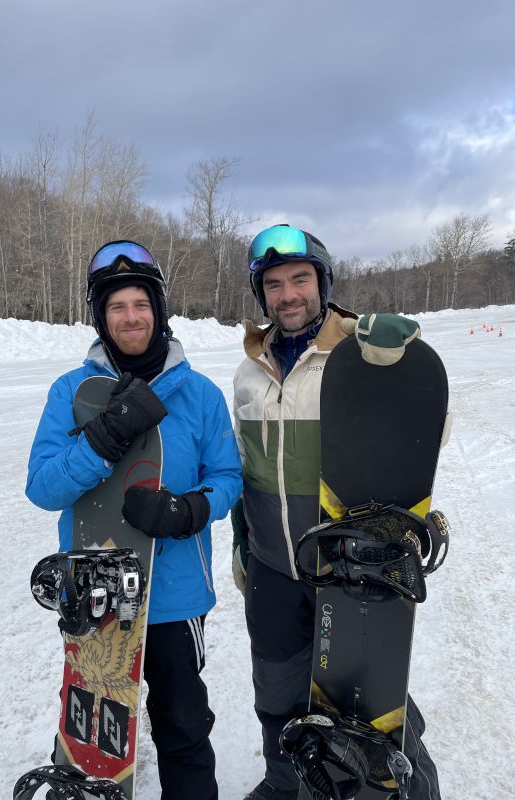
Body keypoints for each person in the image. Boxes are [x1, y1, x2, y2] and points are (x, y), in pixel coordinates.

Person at [26, 239, 243, 800]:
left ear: (158, 310)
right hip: (96, 592)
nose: (130, 317)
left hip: (176, 594)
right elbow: (43, 487)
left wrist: (189, 509)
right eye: (117, 306)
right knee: (92, 728)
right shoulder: (71, 393)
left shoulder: (199, 395)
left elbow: (228, 479)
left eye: (140, 304)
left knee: (183, 724)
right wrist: (103, 440)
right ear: (101, 317)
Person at [232, 224, 442, 800]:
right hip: (274, 569)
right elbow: (249, 466)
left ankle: (405, 786)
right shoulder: (250, 369)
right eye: (273, 285)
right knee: (275, 694)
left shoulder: (359, 355)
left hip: (347, 568)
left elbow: (425, 431)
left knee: (370, 702)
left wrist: (400, 364)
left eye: (300, 279)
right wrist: (241, 541)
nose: (287, 295)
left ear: (322, 283)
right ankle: (284, 783)